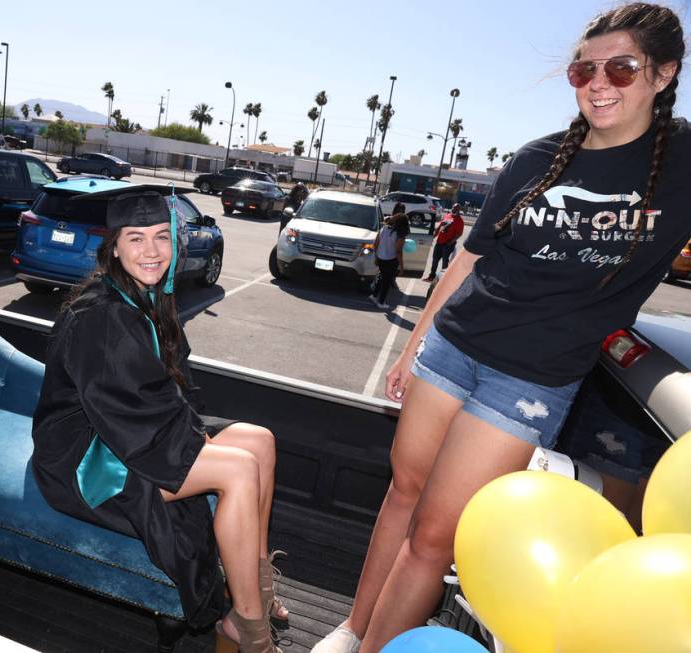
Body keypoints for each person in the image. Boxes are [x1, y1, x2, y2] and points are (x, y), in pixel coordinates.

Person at [312, 4, 690, 652]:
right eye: (584, 69)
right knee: (403, 490)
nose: (598, 83)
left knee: (435, 533)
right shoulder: (536, 159)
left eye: (621, 69)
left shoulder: (681, 162)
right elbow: (469, 259)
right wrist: (412, 345)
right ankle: (351, 628)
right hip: (453, 347)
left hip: (532, 377)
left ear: (663, 74)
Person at [33, 185, 285, 653]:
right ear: (113, 246)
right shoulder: (101, 316)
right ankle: (246, 628)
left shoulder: (143, 295)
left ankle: (256, 587)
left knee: (260, 441)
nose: (151, 251)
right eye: (135, 238)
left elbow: (159, 395)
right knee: (239, 468)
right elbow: (124, 414)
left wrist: (196, 437)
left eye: (161, 237)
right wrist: (199, 445)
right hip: (86, 460)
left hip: (133, 432)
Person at [369, 203, 410, 310]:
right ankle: (381, 302)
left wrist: (376, 257)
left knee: (381, 277)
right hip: (391, 260)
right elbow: (398, 251)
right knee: (386, 282)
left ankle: (374, 296)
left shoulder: (384, 228)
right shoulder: (400, 234)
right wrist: (401, 266)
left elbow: (376, 244)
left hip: (381, 257)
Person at [422, 203, 464, 281]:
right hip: (439, 242)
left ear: (459, 210)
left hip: (447, 244)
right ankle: (431, 276)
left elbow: (459, 234)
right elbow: (439, 228)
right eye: (453, 207)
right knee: (435, 260)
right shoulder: (447, 215)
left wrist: (451, 242)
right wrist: (433, 237)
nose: (454, 209)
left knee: (445, 262)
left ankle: (442, 279)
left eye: (456, 208)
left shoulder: (459, 220)